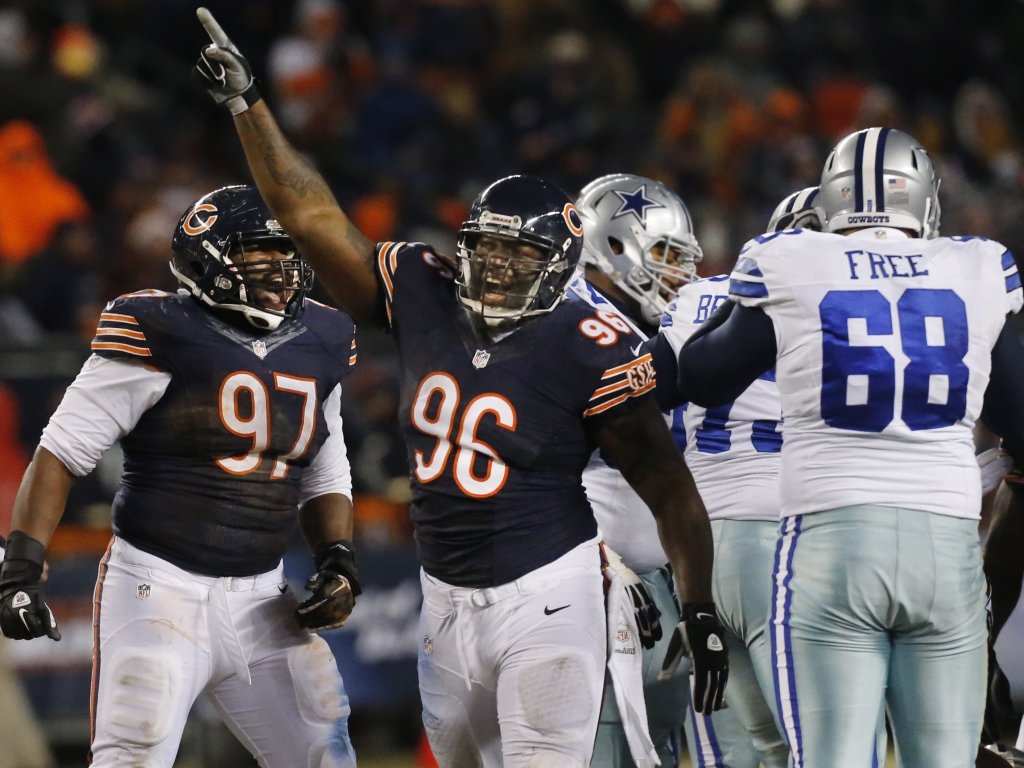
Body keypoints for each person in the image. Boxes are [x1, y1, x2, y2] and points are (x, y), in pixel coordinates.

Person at [192, 10, 728, 766]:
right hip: (444, 598)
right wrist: (250, 107)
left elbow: (668, 485)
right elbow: (308, 214)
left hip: (549, 593)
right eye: (486, 248)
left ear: (558, 264)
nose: (497, 267)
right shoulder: (422, 290)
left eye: (519, 254)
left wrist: (698, 603)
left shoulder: (591, 344)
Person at [667, 126, 1024, 768]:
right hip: (946, 547)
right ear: (923, 196)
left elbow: (703, 376)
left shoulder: (789, 257)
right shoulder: (978, 265)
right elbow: (1020, 417)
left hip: (830, 545)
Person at [0, 185, 361, 768]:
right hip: (157, 587)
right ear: (208, 261)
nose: (280, 269)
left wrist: (337, 556)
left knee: (325, 755)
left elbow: (324, 463)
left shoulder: (322, 337)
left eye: (284, 252)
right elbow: (61, 452)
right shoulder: (156, 326)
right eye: (257, 254)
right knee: (133, 755)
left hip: (264, 597)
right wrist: (22, 563)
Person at [572, 173, 763, 768]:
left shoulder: (659, 323)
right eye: (663, 255)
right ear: (615, 245)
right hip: (597, 578)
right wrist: (600, 559)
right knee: (598, 745)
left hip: (670, 579)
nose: (678, 273)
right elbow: (542, 460)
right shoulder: (568, 322)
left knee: (661, 747)